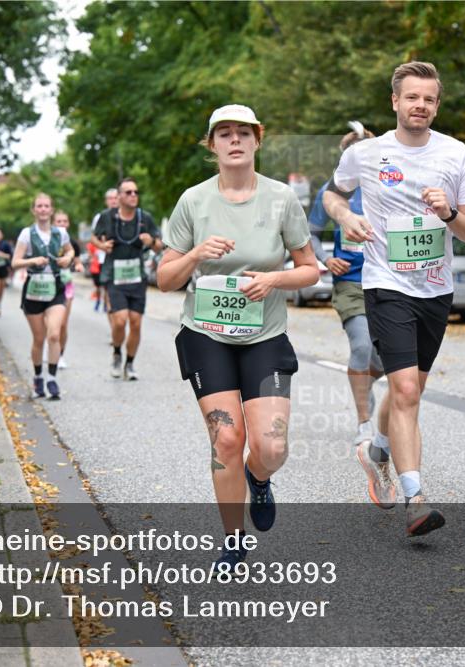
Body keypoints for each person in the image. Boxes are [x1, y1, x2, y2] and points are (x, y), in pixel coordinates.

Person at [323, 62, 465, 537]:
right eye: (412, 97)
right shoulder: (367, 154)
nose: (421, 106)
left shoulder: (457, 155)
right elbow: (333, 195)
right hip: (385, 284)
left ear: (437, 104)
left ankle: (376, 449)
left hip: (435, 291)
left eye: (429, 99)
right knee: (408, 391)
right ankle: (416, 498)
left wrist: (449, 211)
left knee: (405, 388)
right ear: (395, 101)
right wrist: (345, 218)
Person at [158, 104, 318, 571]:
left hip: (264, 334)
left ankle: (258, 476)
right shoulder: (193, 201)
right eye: (223, 134)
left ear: (257, 141)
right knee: (227, 438)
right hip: (206, 334)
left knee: (271, 446)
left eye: (242, 134)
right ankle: (233, 540)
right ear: (212, 145)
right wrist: (194, 255)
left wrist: (273, 280)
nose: (234, 141)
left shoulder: (281, 199)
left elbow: (309, 269)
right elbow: (166, 278)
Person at [308, 122, 391, 506]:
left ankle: (368, 390)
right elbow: (309, 234)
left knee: (384, 361)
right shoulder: (332, 192)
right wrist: (326, 258)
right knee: (361, 347)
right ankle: (363, 427)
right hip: (351, 283)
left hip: (390, 284)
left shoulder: (389, 184)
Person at [92, 177, 163, 380]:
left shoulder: (144, 218)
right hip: (115, 277)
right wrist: (101, 246)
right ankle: (116, 353)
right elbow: (94, 237)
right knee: (120, 321)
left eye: (136, 192)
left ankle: (129, 363)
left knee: (136, 323)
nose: (133, 195)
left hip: (136, 278)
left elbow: (159, 245)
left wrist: (151, 242)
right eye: (129, 192)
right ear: (119, 196)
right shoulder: (107, 217)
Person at [12, 193, 74, 401]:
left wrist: (67, 258)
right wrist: (32, 261)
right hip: (34, 292)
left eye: (46, 206)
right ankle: (38, 375)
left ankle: (52, 378)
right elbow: (15, 262)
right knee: (39, 339)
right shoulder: (26, 234)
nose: (43, 209)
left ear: (52, 209)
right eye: (39, 206)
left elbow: (70, 251)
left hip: (55, 289)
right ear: (34, 210)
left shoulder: (61, 233)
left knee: (54, 334)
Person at [53, 210, 85, 369]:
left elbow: (78, 262)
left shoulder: (72, 243)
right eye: (59, 221)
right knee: (52, 324)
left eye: (65, 221)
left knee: (63, 324)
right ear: (53, 223)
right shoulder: (47, 240)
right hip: (49, 285)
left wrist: (78, 266)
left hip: (67, 285)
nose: (62, 224)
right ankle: (51, 347)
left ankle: (60, 355)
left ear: (68, 224)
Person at [90, 189, 118, 312]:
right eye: (110, 198)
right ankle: (106, 307)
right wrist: (102, 245)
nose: (113, 200)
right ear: (106, 201)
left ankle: (111, 308)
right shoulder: (101, 216)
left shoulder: (127, 214)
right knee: (106, 287)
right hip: (103, 259)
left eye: (115, 197)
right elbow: (93, 237)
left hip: (122, 260)